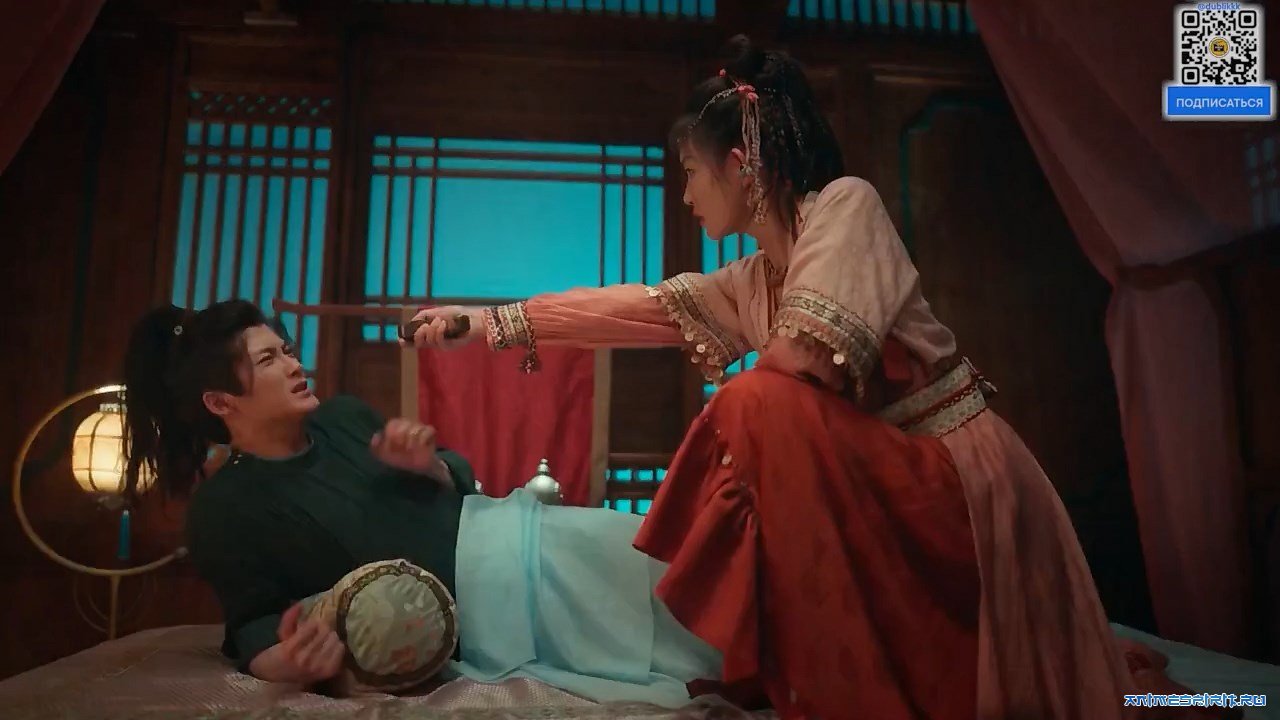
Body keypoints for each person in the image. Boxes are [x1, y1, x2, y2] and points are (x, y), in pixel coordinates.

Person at [407, 36, 1137, 720]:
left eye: (692, 172)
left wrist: (754, 418)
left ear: (739, 164)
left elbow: (804, 359)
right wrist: (491, 321)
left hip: (951, 478)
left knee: (758, 402)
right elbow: (644, 306)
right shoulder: (755, 279)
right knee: (759, 404)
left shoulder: (847, 206)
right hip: (884, 481)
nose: (686, 194)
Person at [120, 299, 722, 707]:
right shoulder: (225, 509)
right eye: (268, 360)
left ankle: (755, 647)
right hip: (473, 606)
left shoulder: (343, 417)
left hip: (503, 532)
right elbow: (252, 626)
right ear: (220, 402)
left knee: (645, 547)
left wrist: (427, 464)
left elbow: (456, 483)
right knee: (648, 608)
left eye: (287, 349)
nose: (296, 365)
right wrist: (294, 662)